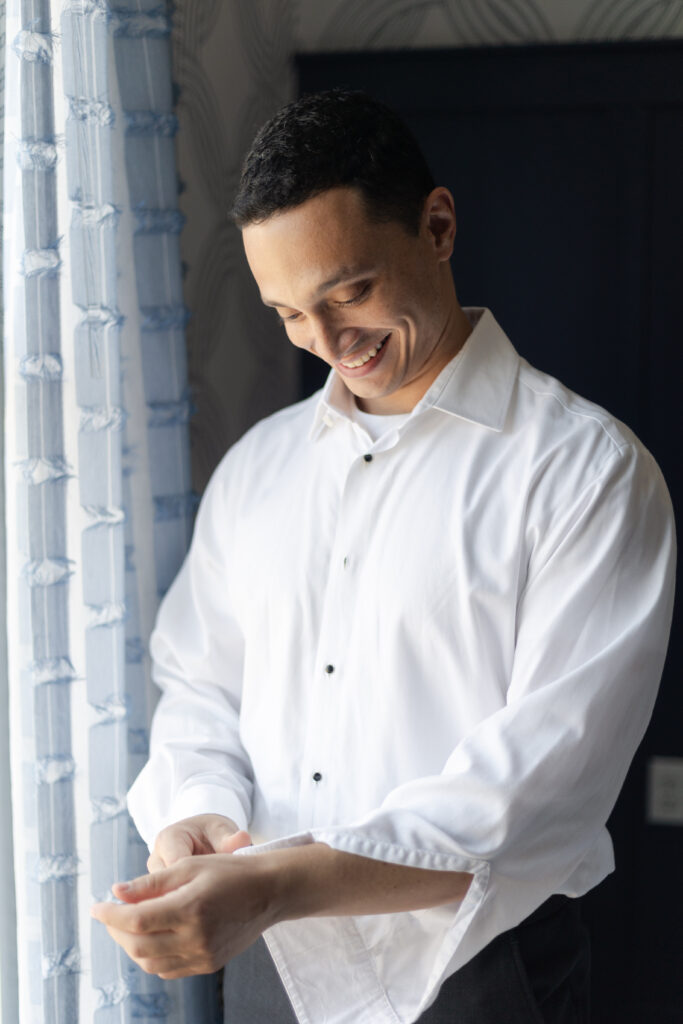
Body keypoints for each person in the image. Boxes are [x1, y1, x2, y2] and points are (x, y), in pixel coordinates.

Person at [92, 90, 676, 1023]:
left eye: (348, 291)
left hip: (477, 970)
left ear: (436, 226)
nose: (325, 343)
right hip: (269, 965)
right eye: (286, 313)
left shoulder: (586, 473)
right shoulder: (259, 469)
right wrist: (194, 810)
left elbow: (539, 784)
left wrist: (285, 881)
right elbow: (198, 684)